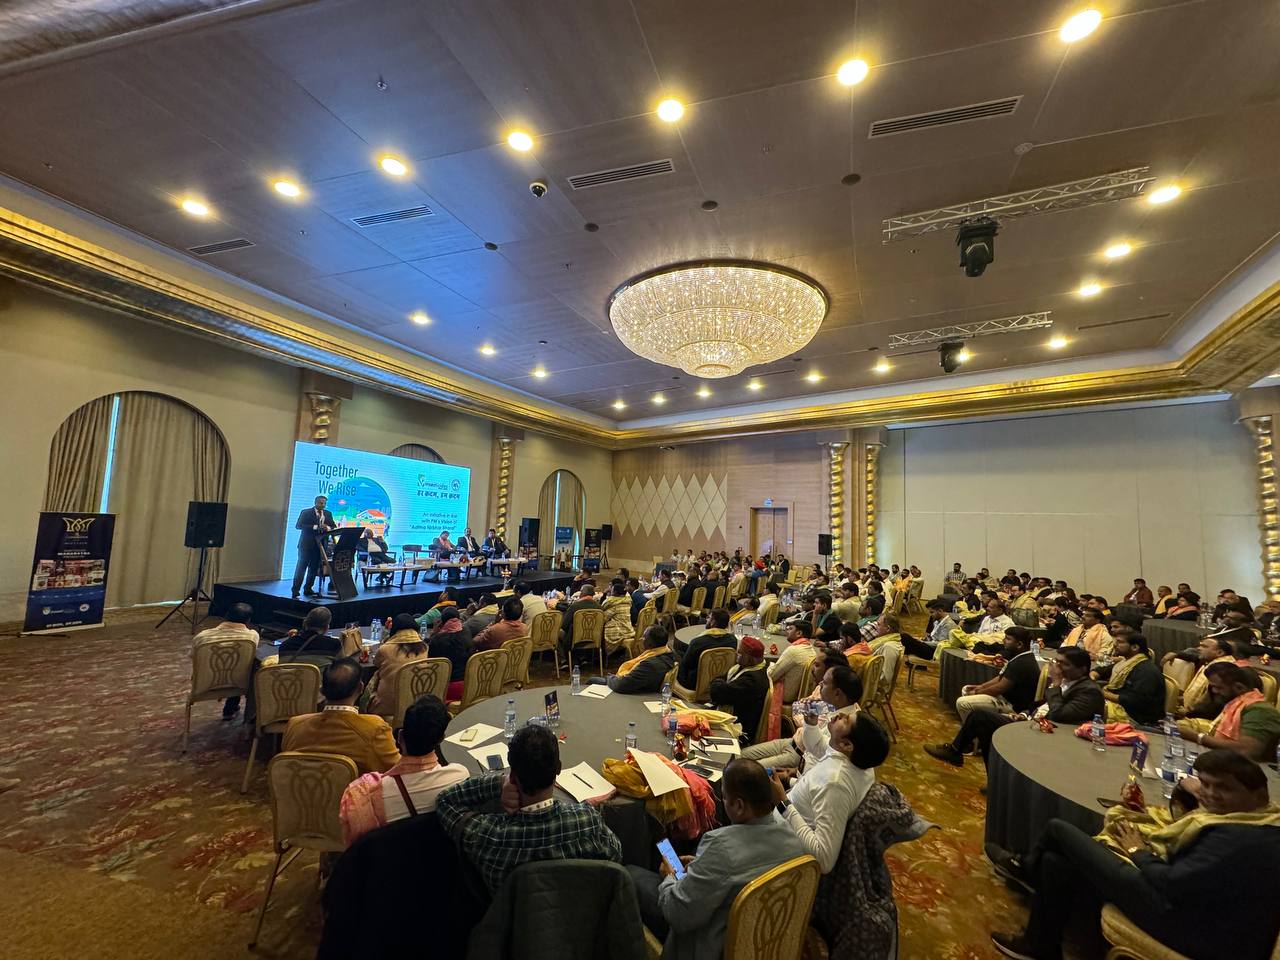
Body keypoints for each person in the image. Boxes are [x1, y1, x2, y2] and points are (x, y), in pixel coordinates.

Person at [988, 750, 1280, 960]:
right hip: (1192, 907)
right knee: (1057, 862)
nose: (1210, 794)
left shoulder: (1239, 839)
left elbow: (1170, 883)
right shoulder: (1259, 818)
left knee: (1057, 830)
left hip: (1192, 928)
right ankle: (1040, 945)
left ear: (1258, 794)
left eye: (1224, 788)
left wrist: (1137, 851)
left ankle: (1025, 868)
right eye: (1205, 784)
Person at [628, 759, 807, 960]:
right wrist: (703, 865)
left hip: (713, 946)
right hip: (763, 941)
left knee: (629, 875)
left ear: (738, 805)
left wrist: (669, 877)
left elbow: (678, 914)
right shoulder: (792, 837)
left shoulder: (720, 846)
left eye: (724, 798)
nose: (723, 802)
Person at [435, 721, 622, 894]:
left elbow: (445, 801)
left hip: (514, 918)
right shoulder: (587, 821)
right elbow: (615, 855)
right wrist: (586, 810)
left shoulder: (490, 835)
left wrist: (498, 783)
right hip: (580, 913)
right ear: (558, 769)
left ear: (513, 777)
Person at [924, 646, 1104, 767]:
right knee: (984, 725)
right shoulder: (1068, 682)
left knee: (980, 717)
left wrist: (1055, 685)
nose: (1057, 667)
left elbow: (1058, 715)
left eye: (1064, 664)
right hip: (1035, 722)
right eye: (1056, 662)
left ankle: (956, 752)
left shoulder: (1089, 691)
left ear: (1082, 669)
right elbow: (1042, 705)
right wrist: (1024, 714)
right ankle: (992, 778)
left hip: (1056, 736)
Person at [770, 710, 890, 874]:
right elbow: (818, 750)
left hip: (783, 845)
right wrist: (789, 781)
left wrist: (783, 804)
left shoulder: (835, 783)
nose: (841, 715)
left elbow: (824, 859)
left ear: (847, 745)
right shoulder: (856, 762)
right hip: (786, 817)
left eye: (846, 720)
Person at [338, 694, 468, 844]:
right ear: (441, 739)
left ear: (400, 737)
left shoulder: (363, 795)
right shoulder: (460, 777)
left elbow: (354, 845)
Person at [282, 658, 400, 775]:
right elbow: (398, 769)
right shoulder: (374, 729)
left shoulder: (294, 725)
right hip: (355, 788)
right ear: (360, 688)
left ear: (322, 690)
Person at [1177, 663, 1280, 761]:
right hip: (1227, 760)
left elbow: (1246, 751)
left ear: (1239, 687)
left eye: (1219, 687)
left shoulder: (1260, 711)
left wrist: (1198, 737)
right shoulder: (1236, 703)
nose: (1214, 691)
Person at [954, 627, 1041, 721]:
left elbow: (999, 688)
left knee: (963, 703)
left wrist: (976, 692)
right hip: (1006, 698)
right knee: (966, 689)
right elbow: (1000, 678)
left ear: (1019, 644)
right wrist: (981, 686)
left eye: (1008, 639)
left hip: (1012, 706)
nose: (1004, 641)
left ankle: (975, 727)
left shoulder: (1022, 662)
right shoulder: (1022, 657)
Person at [191, 602, 259, 720]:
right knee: (243, 667)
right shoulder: (252, 636)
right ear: (249, 620)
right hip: (238, 684)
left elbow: (193, 657)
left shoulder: (202, 636)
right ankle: (236, 711)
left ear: (226, 616)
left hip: (205, 683)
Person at [708, 636, 770, 742]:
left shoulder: (752, 681)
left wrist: (718, 683)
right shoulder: (754, 666)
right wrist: (719, 683)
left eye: (740, 652)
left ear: (750, 659)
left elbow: (717, 692)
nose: (736, 654)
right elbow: (720, 683)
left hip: (738, 728)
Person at [1094, 632, 1164, 725]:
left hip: (1134, 716)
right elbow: (1103, 670)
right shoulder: (1127, 662)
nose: (1115, 645)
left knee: (1087, 704)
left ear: (1134, 647)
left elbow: (1136, 701)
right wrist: (1092, 676)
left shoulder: (1146, 671)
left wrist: (1103, 694)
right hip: (1119, 704)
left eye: (1120, 642)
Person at [366, 613, 429, 717]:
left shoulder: (385, 649)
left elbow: (376, 663)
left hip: (385, 708)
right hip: (416, 705)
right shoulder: (424, 648)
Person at [590, 624, 676, 695]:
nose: (641, 639)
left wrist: (610, 677)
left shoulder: (650, 665)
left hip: (637, 693)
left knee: (592, 680)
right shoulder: (666, 652)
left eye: (644, 637)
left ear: (650, 643)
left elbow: (621, 685)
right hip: (639, 684)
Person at [676, 608, 736, 689]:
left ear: (713, 622)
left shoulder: (698, 642)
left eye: (709, 618)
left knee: (677, 655)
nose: (706, 620)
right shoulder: (732, 640)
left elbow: (685, 665)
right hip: (721, 681)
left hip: (695, 684)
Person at [292, 494, 336, 598]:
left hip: (320, 546)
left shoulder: (328, 513)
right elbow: (299, 526)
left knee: (313, 568)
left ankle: (308, 589)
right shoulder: (306, 512)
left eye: (324, 503)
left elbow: (333, 526)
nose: (323, 505)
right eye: (321, 503)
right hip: (306, 545)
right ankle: (295, 590)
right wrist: (316, 527)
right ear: (315, 503)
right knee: (301, 568)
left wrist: (327, 528)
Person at [767, 620, 817, 703]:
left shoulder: (793, 650)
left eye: (790, 629)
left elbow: (771, 676)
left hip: (786, 696)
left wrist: (770, 666)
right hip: (800, 695)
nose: (787, 632)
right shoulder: (812, 650)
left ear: (799, 633)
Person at [428, 607, 469, 701]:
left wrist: (434, 633)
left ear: (441, 622)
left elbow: (430, 664)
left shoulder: (437, 640)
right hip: (468, 684)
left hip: (444, 688)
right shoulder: (466, 632)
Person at [279, 606, 343, 662]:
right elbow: (341, 667)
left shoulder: (284, 646)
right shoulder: (334, 644)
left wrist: (291, 639)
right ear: (327, 627)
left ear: (305, 623)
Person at [558, 583, 601, 654]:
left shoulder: (575, 606)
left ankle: (564, 658)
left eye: (581, 591)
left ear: (583, 593)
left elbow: (564, 625)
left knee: (557, 633)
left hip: (575, 639)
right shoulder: (599, 607)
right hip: (594, 639)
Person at [600, 581, 634, 656]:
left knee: (600, 631)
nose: (610, 591)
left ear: (615, 592)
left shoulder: (613, 603)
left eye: (611, 590)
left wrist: (604, 596)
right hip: (628, 629)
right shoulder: (627, 601)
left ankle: (603, 655)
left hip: (620, 632)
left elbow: (602, 619)